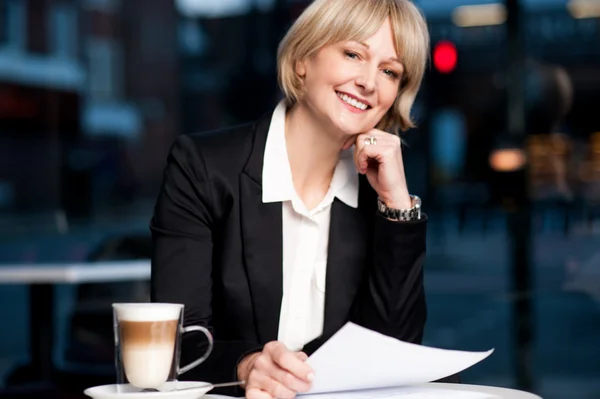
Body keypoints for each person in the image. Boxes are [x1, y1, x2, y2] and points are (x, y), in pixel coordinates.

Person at [151, 1, 446, 398]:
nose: (369, 83)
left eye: (389, 71)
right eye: (353, 54)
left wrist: (396, 205)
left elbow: (395, 352)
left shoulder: (378, 190)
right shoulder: (202, 168)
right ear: (303, 59)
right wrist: (246, 366)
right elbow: (175, 342)